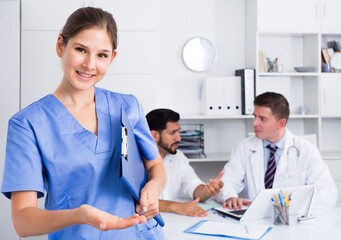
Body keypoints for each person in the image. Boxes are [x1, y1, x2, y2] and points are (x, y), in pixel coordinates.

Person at [1, 7, 166, 239]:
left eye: (102, 55)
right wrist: (80, 215)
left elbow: (155, 166)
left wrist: (153, 189)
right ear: (61, 46)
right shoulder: (28, 124)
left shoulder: (127, 106)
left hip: (140, 233)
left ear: (112, 58)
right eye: (81, 50)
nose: (90, 64)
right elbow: (23, 222)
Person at [215, 92, 338, 210]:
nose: (254, 123)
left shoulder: (307, 150)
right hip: (253, 221)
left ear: (281, 123)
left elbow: (328, 194)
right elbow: (227, 183)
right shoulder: (244, 147)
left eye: (262, 119)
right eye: (255, 116)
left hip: (291, 220)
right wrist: (230, 197)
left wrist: (290, 207)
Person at [146, 108, 224, 217]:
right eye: (172, 133)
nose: (179, 138)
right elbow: (138, 201)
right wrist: (175, 206)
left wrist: (208, 190)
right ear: (154, 135)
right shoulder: (136, 162)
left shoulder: (178, 157)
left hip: (174, 222)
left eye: (178, 131)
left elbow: (196, 190)